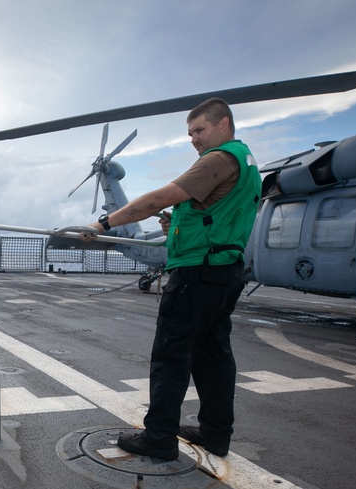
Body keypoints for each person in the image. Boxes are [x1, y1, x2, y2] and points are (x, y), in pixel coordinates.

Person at [81, 97, 261, 461]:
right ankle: (215, 434)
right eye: (190, 133)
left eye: (200, 130)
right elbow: (213, 214)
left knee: (171, 355)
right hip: (224, 270)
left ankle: (159, 437)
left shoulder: (219, 159)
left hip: (197, 273)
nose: (194, 138)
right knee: (212, 356)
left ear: (223, 124)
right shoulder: (245, 162)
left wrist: (101, 224)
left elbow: (159, 198)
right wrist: (175, 224)